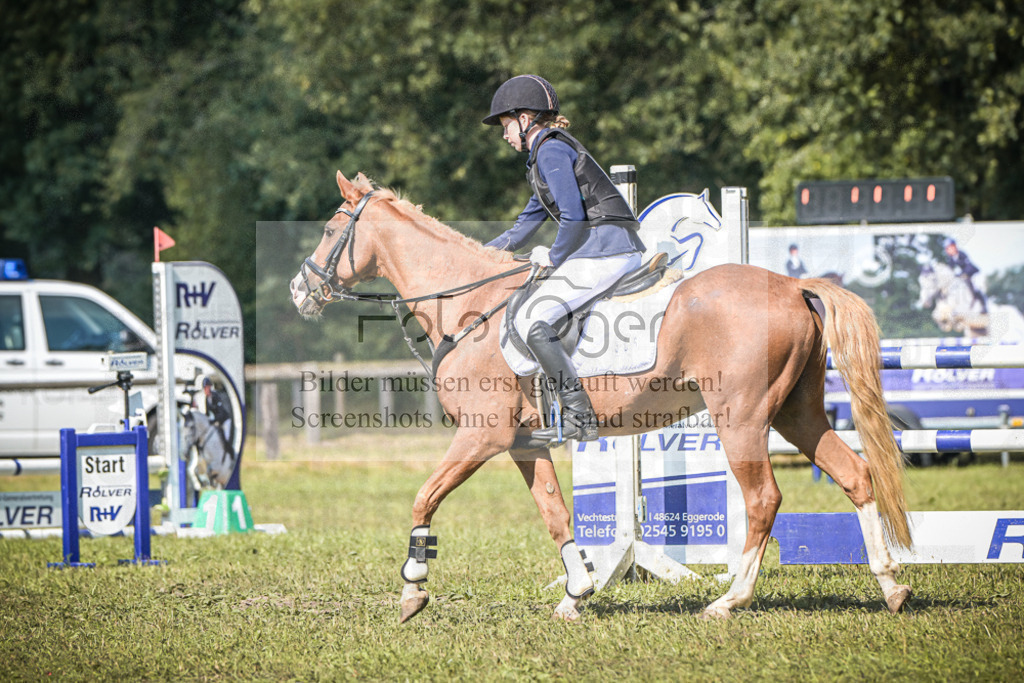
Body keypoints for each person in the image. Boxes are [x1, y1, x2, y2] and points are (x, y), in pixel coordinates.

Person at [482, 74, 645, 444]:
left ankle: (579, 416)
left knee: (534, 317)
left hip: (609, 247)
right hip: (602, 247)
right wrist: (481, 256)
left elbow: (572, 216)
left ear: (525, 120)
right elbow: (525, 225)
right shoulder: (543, 156)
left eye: (506, 126)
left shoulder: (551, 150)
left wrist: (553, 258)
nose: (504, 136)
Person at [943, 237, 987, 314]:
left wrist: (963, 274)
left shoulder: (962, 254)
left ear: (955, 246)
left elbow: (969, 266)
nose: (951, 250)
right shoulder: (950, 260)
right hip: (962, 278)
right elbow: (950, 272)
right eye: (948, 248)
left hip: (973, 274)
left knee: (977, 288)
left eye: (951, 247)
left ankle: (984, 306)